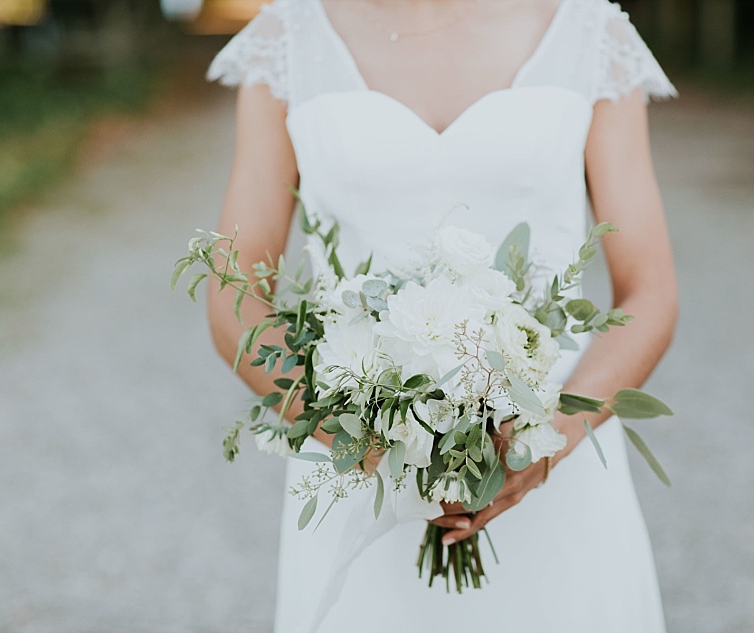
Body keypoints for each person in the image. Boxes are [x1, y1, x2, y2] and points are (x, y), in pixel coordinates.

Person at [205, 0, 678, 631]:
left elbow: (649, 292)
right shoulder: (286, 40)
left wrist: (540, 450)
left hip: (552, 467)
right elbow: (234, 301)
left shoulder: (590, 33)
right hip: (361, 487)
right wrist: (363, 442)